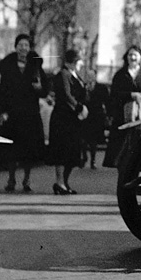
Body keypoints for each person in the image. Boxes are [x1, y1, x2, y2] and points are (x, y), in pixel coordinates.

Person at [0, 34, 49, 193]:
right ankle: (11, 179)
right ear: (16, 47)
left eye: (26, 45)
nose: (23, 48)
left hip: (30, 114)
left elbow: (44, 90)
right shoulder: (8, 66)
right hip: (12, 114)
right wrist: (1, 112)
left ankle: (27, 179)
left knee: (29, 150)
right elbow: (2, 92)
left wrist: (39, 88)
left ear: (29, 48)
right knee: (12, 150)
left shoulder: (36, 66)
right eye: (20, 45)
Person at [106, 46, 141, 167]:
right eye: (130, 55)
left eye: (135, 55)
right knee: (121, 151)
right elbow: (114, 94)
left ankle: (139, 181)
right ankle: (123, 180)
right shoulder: (120, 74)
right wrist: (131, 95)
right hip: (123, 116)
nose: (133, 57)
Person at [49, 49, 89, 195]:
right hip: (63, 117)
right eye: (79, 61)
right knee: (61, 150)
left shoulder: (75, 75)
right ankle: (59, 182)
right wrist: (79, 107)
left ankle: (64, 182)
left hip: (72, 118)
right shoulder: (63, 74)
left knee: (71, 151)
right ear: (72, 62)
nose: (81, 63)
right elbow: (66, 95)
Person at [82, 70, 110, 168]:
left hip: (96, 116)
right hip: (85, 116)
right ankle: (84, 156)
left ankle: (92, 160)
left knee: (93, 140)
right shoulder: (83, 86)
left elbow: (107, 100)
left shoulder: (101, 87)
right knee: (83, 139)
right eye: (88, 75)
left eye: (91, 75)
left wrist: (108, 114)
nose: (90, 77)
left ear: (95, 76)